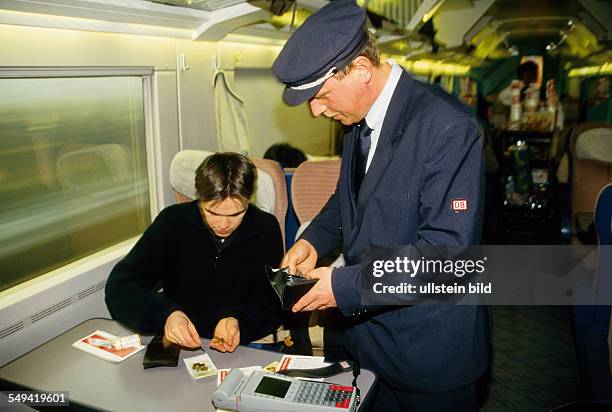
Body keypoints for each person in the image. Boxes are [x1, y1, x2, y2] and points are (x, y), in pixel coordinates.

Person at [272, 1, 490, 411]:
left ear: (360, 69)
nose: (316, 110)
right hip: (367, 343)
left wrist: (339, 286)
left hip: (427, 351)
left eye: (319, 95)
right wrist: (313, 241)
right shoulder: (358, 119)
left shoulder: (447, 126)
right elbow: (349, 198)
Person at [105, 152, 283, 352]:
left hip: (244, 346)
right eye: (212, 212)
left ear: (249, 200)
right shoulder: (172, 223)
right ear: (199, 199)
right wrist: (165, 314)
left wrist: (239, 319)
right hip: (179, 344)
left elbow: (274, 302)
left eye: (236, 213)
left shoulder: (266, 229)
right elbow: (120, 284)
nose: (223, 224)